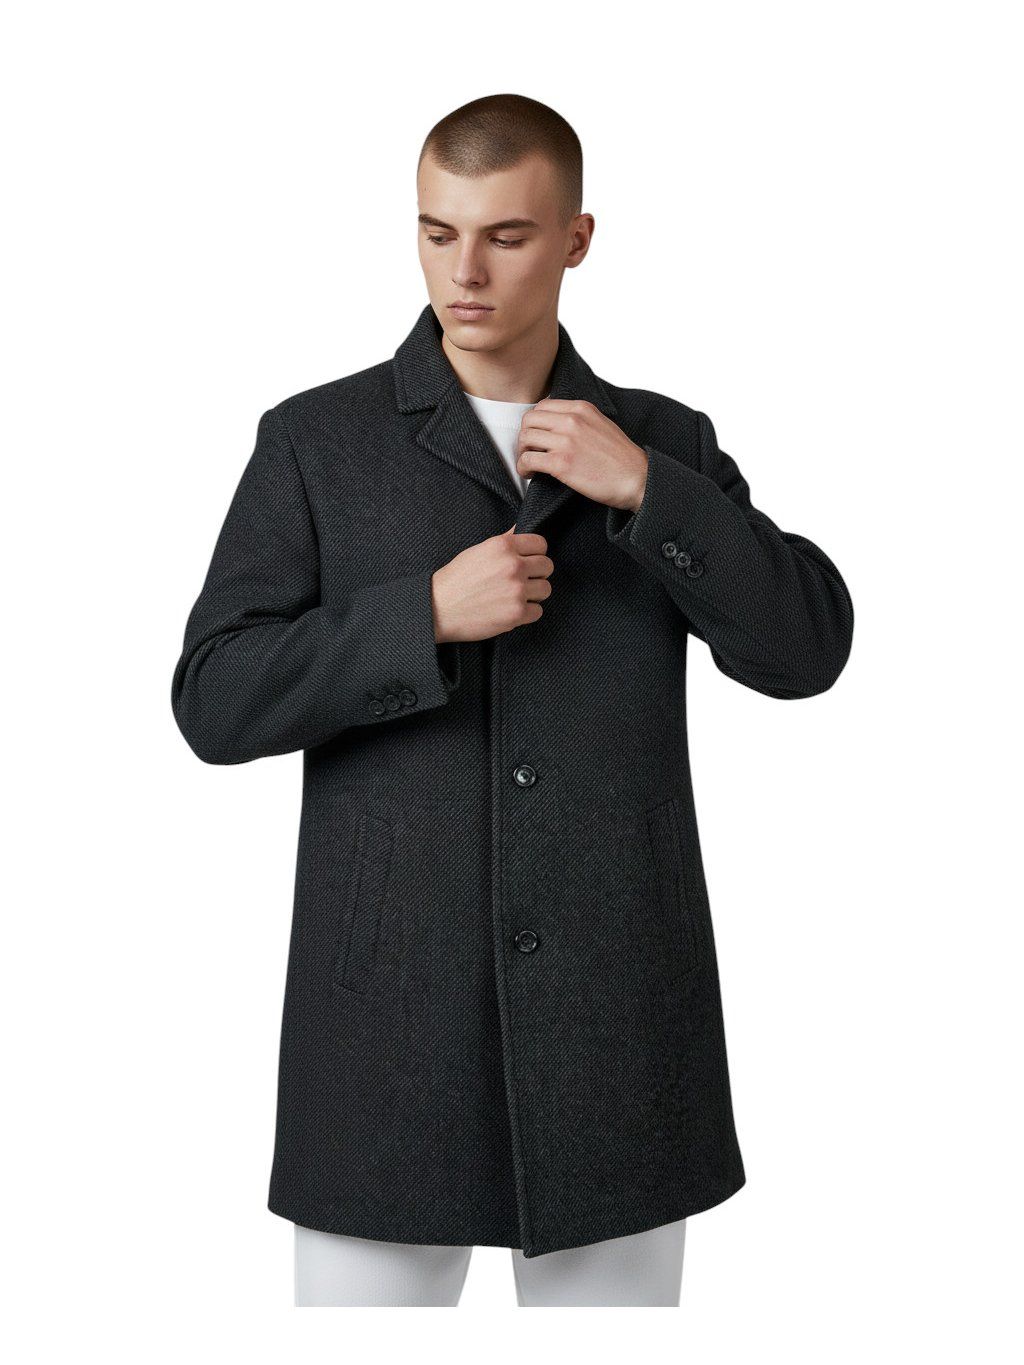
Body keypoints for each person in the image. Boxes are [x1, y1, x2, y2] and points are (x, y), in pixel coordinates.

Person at [171, 93, 854, 1307]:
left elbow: (804, 650)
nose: (465, 272)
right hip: (384, 1027)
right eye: (437, 233)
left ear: (577, 239)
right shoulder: (316, 442)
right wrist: (419, 617)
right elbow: (214, 698)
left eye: (506, 236)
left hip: (617, 1022)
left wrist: (649, 492)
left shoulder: (662, 438)